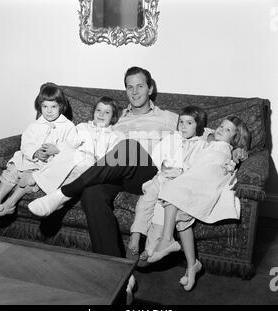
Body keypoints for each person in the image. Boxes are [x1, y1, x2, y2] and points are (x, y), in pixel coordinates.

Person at [27, 67, 248, 260]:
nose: (134, 92)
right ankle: (115, 269)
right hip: (116, 174)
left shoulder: (167, 117)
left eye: (140, 86)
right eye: (129, 87)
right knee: (92, 193)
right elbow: (89, 137)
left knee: (129, 146)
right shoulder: (117, 118)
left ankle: (62, 195)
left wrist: (237, 146)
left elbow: (205, 132)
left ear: (150, 89)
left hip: (147, 172)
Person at [147, 116, 251, 291]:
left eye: (227, 130)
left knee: (172, 192)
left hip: (207, 183)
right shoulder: (207, 142)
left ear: (235, 138)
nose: (221, 129)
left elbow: (237, 154)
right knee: (180, 215)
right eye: (221, 125)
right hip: (194, 179)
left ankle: (167, 239)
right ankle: (192, 265)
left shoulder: (229, 148)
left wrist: (239, 152)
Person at [0, 82, 80, 223]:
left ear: (61, 107)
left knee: (30, 179)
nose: (49, 111)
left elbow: (73, 145)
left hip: (47, 165)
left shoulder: (68, 126)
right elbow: (26, 143)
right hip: (30, 160)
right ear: (40, 107)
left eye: (54, 107)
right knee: (13, 169)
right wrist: (35, 153)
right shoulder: (35, 126)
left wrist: (56, 149)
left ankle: (9, 204)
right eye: (45, 106)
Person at [128, 105, 208, 263]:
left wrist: (181, 171)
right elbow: (157, 155)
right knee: (146, 199)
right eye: (181, 122)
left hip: (177, 185)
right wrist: (163, 165)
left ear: (198, 126)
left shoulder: (201, 145)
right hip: (161, 177)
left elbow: (198, 167)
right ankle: (136, 234)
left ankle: (151, 249)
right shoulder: (172, 138)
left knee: (160, 212)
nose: (183, 126)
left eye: (189, 123)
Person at [23, 96, 121, 195]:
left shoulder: (113, 136)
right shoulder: (82, 127)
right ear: (93, 112)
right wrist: (58, 149)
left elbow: (110, 158)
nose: (101, 114)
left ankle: (44, 186)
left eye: (107, 112)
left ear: (113, 117)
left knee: (79, 171)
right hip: (72, 161)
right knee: (65, 160)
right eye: (98, 110)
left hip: (91, 169)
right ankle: (39, 179)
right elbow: (69, 142)